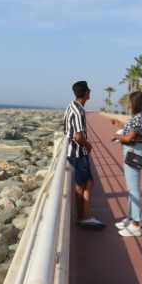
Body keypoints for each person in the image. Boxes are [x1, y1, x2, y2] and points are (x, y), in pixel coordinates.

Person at [110, 91, 142, 238]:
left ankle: (136, 225)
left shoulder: (140, 117)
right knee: (132, 189)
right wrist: (120, 125)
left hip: (133, 151)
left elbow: (129, 138)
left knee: (134, 190)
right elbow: (133, 132)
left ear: (136, 103)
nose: (129, 105)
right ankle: (130, 219)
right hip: (133, 150)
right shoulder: (140, 116)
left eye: (130, 102)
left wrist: (115, 135)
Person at [63, 81, 105, 229]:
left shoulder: (72, 106)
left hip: (78, 152)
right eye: (89, 90)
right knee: (81, 184)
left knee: (89, 182)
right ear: (86, 93)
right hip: (78, 153)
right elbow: (78, 136)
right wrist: (89, 145)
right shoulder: (78, 111)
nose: (90, 92)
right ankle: (81, 217)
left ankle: (85, 216)